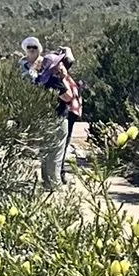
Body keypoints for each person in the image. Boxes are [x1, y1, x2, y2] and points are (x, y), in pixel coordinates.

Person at [37, 46, 83, 188]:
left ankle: (47, 181)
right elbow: (68, 96)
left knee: (47, 152)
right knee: (56, 152)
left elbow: (70, 60)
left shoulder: (42, 78)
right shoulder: (56, 80)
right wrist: (63, 78)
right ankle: (54, 182)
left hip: (46, 118)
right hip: (58, 118)